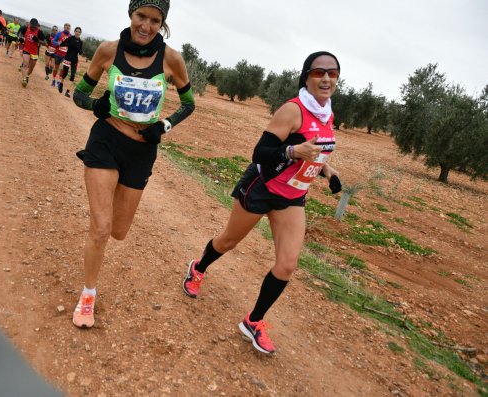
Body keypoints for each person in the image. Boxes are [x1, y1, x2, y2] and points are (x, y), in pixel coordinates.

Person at [182, 51, 343, 354]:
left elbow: (316, 151)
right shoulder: (293, 111)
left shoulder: (327, 114)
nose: (326, 78)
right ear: (306, 76)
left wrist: (327, 169)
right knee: (228, 241)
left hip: (293, 196)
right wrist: (293, 153)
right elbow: (261, 153)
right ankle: (198, 268)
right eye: (319, 72)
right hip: (262, 187)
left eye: (332, 73)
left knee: (288, 264)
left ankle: (253, 321)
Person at [71, 0, 195, 328]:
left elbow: (189, 104)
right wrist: (96, 105)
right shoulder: (108, 51)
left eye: (155, 20)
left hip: (142, 151)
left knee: (118, 231)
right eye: (142, 16)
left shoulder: (171, 59)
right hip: (106, 140)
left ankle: (107, 204)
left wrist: (163, 126)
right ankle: (87, 295)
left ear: (162, 23)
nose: (147, 25)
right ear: (131, 14)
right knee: (100, 228)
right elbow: (79, 95)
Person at [18, 18, 46, 88]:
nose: (33, 28)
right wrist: (20, 38)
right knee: (25, 64)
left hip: (34, 52)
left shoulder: (39, 32)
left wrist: (38, 40)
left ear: (37, 26)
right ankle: (24, 79)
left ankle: (27, 75)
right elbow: (20, 34)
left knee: (32, 67)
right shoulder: (25, 28)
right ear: (30, 24)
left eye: (34, 26)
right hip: (26, 49)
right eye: (32, 26)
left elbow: (45, 43)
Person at [56, 26, 83, 97]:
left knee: (73, 75)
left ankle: (67, 91)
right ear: (74, 32)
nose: (78, 33)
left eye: (79, 32)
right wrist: (69, 45)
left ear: (80, 33)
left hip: (74, 60)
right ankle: (61, 84)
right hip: (68, 58)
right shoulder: (70, 38)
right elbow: (62, 44)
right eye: (76, 31)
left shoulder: (80, 42)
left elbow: (80, 52)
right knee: (65, 73)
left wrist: (80, 50)